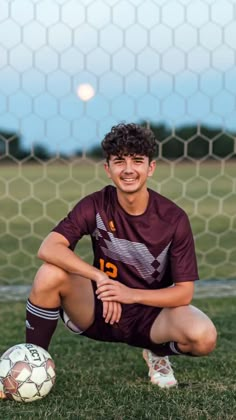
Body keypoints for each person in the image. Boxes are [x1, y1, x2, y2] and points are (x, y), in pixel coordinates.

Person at [0, 123, 217, 399]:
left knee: (204, 336)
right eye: (119, 161)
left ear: (151, 168)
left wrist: (129, 293)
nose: (128, 169)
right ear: (108, 168)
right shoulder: (96, 204)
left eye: (137, 161)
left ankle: (157, 353)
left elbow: (184, 292)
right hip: (100, 309)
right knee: (49, 273)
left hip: (150, 317)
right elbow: (49, 247)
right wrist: (101, 278)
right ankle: (32, 363)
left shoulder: (173, 219)